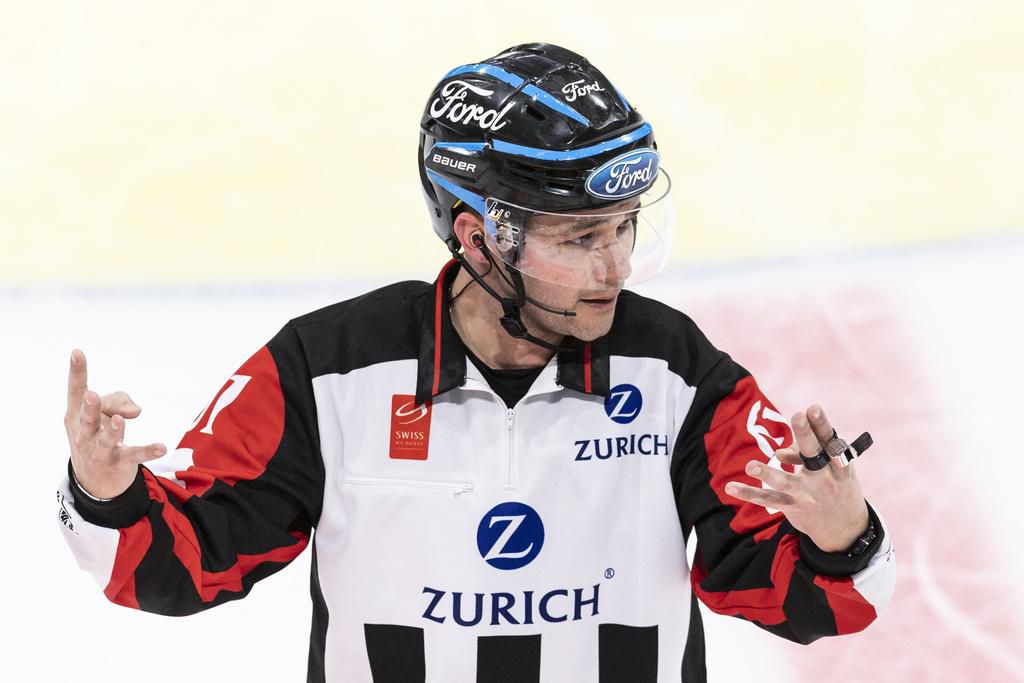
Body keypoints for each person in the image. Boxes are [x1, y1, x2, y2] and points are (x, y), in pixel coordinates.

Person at [58, 43, 896, 682]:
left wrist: (841, 537)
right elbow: (177, 563)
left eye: (625, 226)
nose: (616, 265)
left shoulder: (679, 373)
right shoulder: (324, 370)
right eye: (582, 236)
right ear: (479, 236)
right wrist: (106, 495)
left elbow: (816, 596)